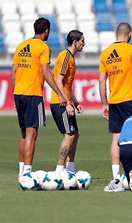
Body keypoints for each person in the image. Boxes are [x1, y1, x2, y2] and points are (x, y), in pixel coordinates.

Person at [11, 17, 67, 181]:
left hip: (19, 93)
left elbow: (13, 73)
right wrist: (60, 93)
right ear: (47, 31)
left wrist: (16, 94)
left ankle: (21, 173)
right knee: (32, 134)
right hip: (33, 94)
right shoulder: (43, 47)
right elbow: (46, 73)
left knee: (23, 134)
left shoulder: (21, 46)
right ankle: (27, 173)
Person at [99, 22, 132, 192]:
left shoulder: (105, 54)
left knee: (116, 138)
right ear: (130, 34)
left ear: (115, 33)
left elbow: (102, 81)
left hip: (114, 100)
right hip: (131, 98)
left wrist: (105, 103)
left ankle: (116, 179)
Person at [49, 30, 85, 173]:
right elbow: (58, 80)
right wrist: (68, 103)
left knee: (75, 135)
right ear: (75, 42)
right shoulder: (65, 56)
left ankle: (70, 170)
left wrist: (75, 102)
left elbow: (67, 85)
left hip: (67, 102)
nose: (84, 43)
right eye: (82, 41)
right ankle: (59, 171)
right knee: (69, 136)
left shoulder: (71, 58)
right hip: (61, 103)